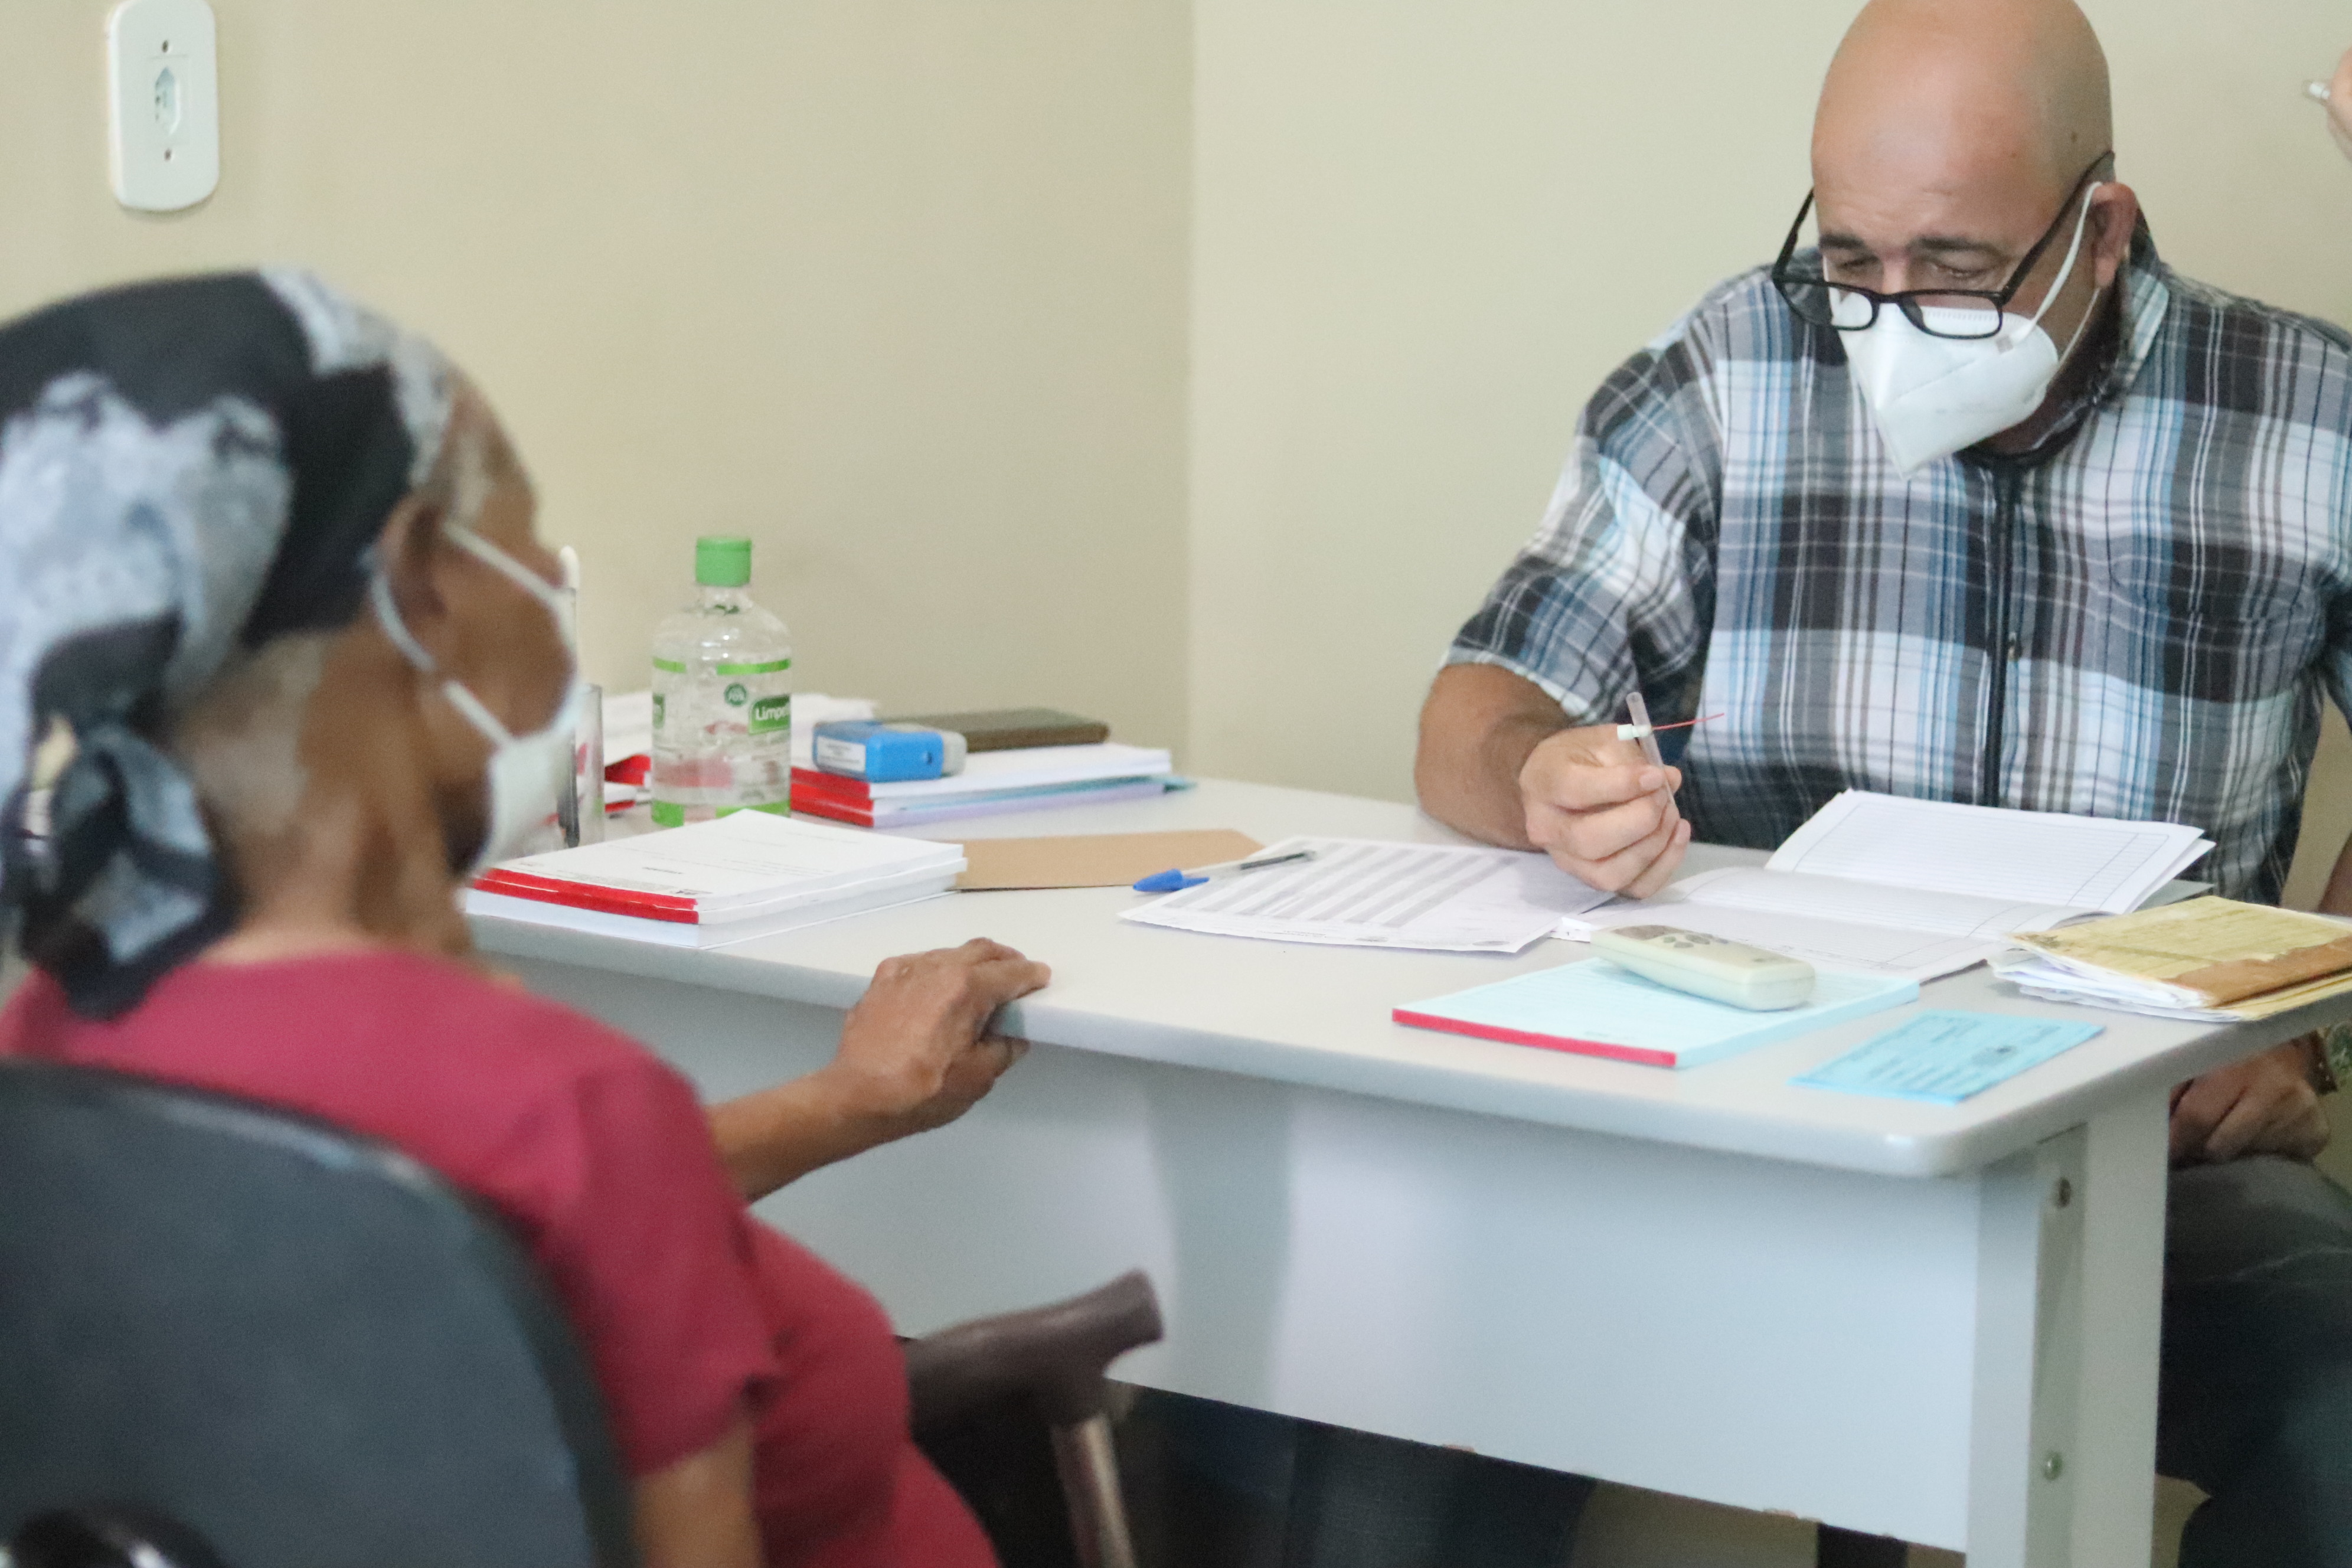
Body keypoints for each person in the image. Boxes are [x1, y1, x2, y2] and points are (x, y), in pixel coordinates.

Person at [1419, 1, 2352, 1564]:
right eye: (1852, 259)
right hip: (1745, 1115)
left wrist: (2307, 1030)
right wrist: (1538, 774)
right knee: (1407, 1354)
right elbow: (1475, 703)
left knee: (2339, 1390)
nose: (1890, 316)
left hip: (2138, 1149)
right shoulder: (1736, 363)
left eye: (1956, 267)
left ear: (2101, 231)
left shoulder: (2309, 412)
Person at [0, 271, 1051, 1568]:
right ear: (422, 584)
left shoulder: (56, 1031)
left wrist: (843, 1102)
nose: (550, 576)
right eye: (523, 530)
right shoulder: (568, 1102)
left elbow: (468, 1224)